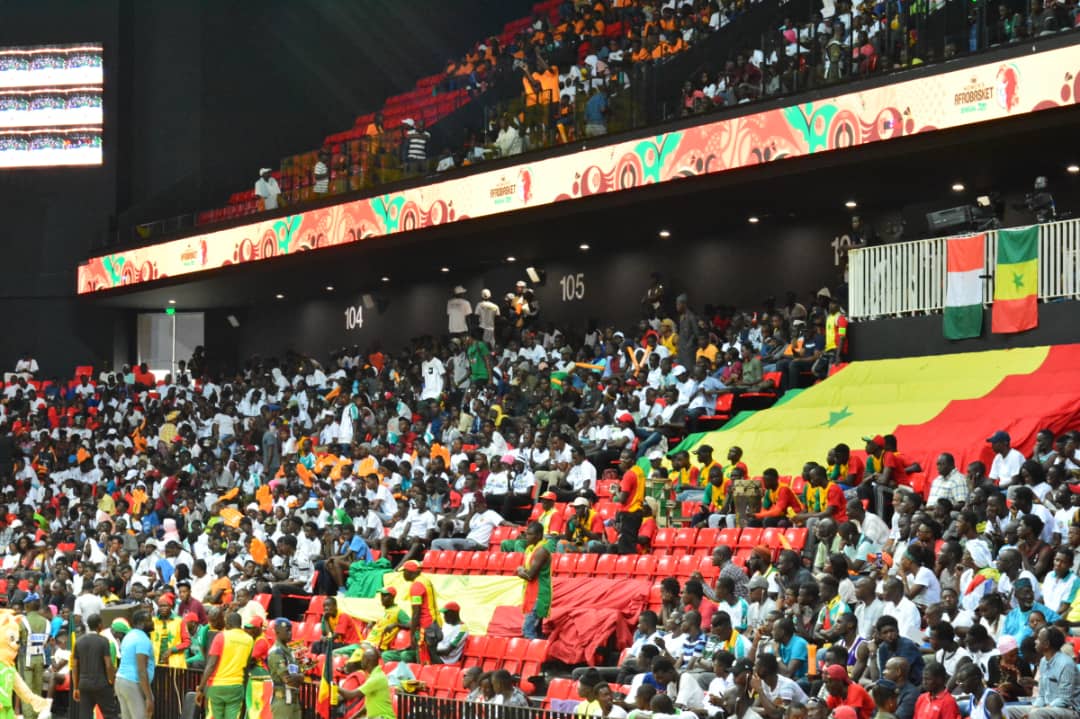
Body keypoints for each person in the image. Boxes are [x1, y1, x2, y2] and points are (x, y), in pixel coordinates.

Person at [195, 612, 254, 719]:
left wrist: (201, 688)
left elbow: (211, 665)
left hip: (216, 687)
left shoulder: (221, 637)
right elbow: (246, 667)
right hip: (236, 687)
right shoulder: (249, 640)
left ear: (228, 623)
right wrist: (244, 689)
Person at [72, 614, 120, 719]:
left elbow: (75, 666)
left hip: (84, 684)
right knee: (110, 714)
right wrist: (112, 681)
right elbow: (108, 664)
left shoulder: (78, 641)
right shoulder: (104, 641)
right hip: (101, 684)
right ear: (99, 625)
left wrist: (76, 687)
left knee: (85, 715)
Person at [115, 610, 154, 719]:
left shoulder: (129, 636)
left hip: (120, 681)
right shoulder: (142, 639)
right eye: (149, 621)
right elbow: (141, 670)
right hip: (133, 683)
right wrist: (149, 698)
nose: (152, 623)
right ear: (141, 623)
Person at [338, 646, 394, 719]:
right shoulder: (373, 675)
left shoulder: (376, 678)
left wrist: (333, 686)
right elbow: (366, 707)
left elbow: (350, 695)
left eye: (363, 658)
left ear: (367, 661)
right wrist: (353, 717)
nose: (361, 661)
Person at [517, 521, 551, 639]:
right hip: (533, 593)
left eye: (529, 534)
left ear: (538, 535)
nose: (526, 537)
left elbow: (530, 575)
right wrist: (522, 570)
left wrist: (520, 571)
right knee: (536, 631)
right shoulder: (531, 549)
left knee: (528, 631)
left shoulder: (541, 551)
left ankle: (532, 656)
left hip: (539, 594)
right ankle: (540, 654)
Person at [266, 618, 303, 719]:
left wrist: (299, 677)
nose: (290, 633)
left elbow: (300, 675)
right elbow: (287, 680)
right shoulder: (275, 652)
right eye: (287, 630)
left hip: (294, 700)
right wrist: (299, 677)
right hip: (282, 701)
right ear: (277, 632)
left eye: (291, 630)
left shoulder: (290, 652)